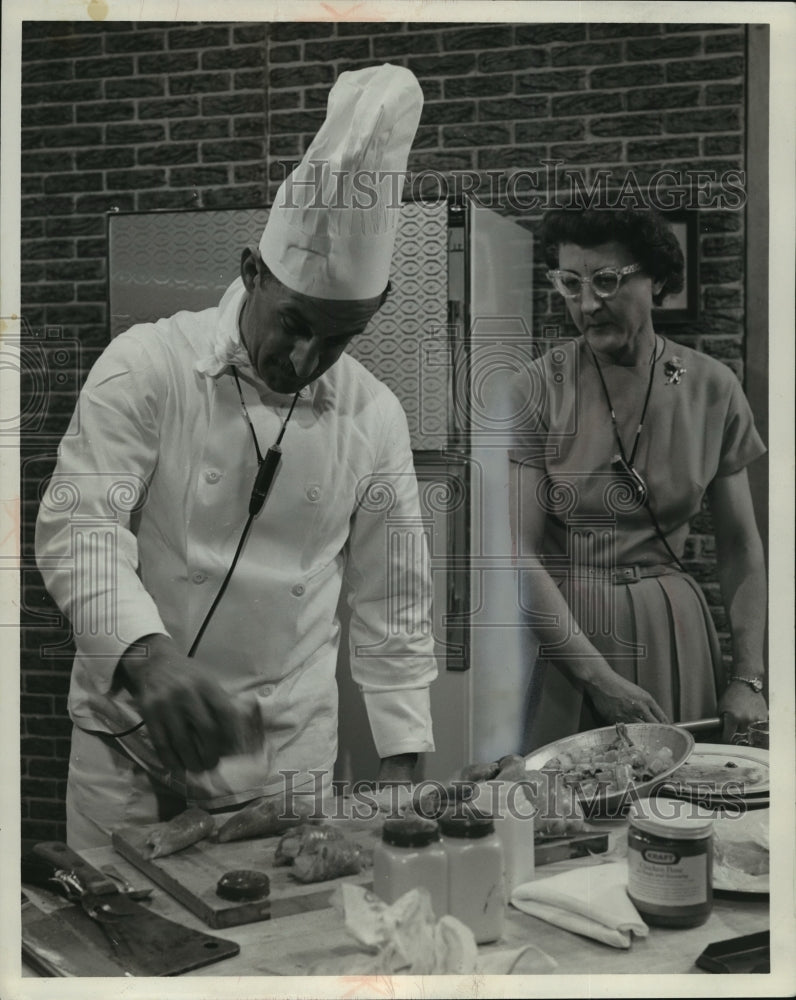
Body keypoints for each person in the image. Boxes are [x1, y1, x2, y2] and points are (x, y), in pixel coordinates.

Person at [35, 64, 438, 848]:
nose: (308, 355)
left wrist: (402, 776)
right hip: (129, 751)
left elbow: (396, 604)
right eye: (295, 321)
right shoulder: (147, 366)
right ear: (252, 269)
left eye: (342, 335)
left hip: (283, 763)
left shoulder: (373, 415)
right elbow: (79, 530)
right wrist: (148, 658)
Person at [509, 206, 767, 751]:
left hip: (676, 634)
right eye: (570, 283)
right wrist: (598, 680)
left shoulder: (712, 387)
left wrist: (748, 677)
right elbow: (519, 555)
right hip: (572, 639)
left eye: (606, 282)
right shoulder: (538, 387)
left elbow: (740, 546)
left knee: (679, 805)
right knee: (568, 814)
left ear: (657, 281)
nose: (586, 304)